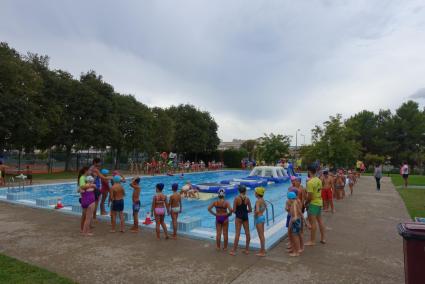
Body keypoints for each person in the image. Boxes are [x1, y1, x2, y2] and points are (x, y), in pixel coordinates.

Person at [305, 165, 326, 246]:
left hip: (313, 203)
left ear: (309, 171)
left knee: (313, 223)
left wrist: (306, 203)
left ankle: (312, 241)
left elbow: (310, 196)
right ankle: (323, 238)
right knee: (320, 221)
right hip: (319, 202)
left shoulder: (310, 182)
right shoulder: (318, 180)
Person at [230, 185, 252, 256]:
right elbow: (250, 210)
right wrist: (245, 212)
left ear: (239, 191)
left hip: (238, 217)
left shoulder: (236, 198)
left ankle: (234, 251)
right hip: (245, 217)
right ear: (245, 191)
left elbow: (234, 210)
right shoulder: (247, 199)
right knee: (247, 233)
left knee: (237, 233)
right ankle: (247, 250)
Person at [77, 167, 96, 236]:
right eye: (89, 170)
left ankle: (84, 230)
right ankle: (84, 231)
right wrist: (91, 185)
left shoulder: (85, 178)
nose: (90, 171)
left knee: (85, 216)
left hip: (84, 199)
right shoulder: (83, 178)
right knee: (87, 217)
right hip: (88, 199)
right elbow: (82, 186)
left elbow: (79, 189)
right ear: (86, 171)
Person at [287, 191, 304, 256]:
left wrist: (293, 220)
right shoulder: (296, 202)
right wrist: (305, 222)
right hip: (298, 221)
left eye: (288, 199)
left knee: (295, 237)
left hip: (295, 222)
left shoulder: (293, 204)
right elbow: (300, 212)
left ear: (290, 198)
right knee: (295, 236)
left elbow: (295, 215)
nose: (288, 200)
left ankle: (296, 252)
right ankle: (296, 250)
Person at [254, 187, 267, 257]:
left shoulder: (258, 201)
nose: (254, 193)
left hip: (258, 218)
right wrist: (261, 212)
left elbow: (257, 210)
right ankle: (263, 249)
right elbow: (265, 206)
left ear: (257, 194)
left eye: (255, 192)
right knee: (262, 235)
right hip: (262, 217)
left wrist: (255, 214)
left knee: (260, 235)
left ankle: (262, 252)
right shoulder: (263, 200)